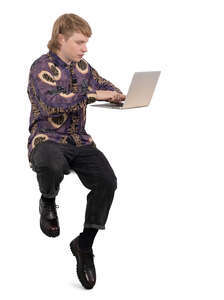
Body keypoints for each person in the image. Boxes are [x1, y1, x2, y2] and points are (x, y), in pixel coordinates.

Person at [27, 13, 125, 289]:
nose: (84, 48)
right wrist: (92, 95)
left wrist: (117, 95)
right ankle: (47, 200)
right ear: (61, 38)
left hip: (79, 140)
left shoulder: (83, 68)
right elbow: (52, 103)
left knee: (107, 182)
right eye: (79, 42)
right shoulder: (40, 67)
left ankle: (84, 245)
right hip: (48, 138)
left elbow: (104, 86)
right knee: (50, 164)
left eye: (86, 43)